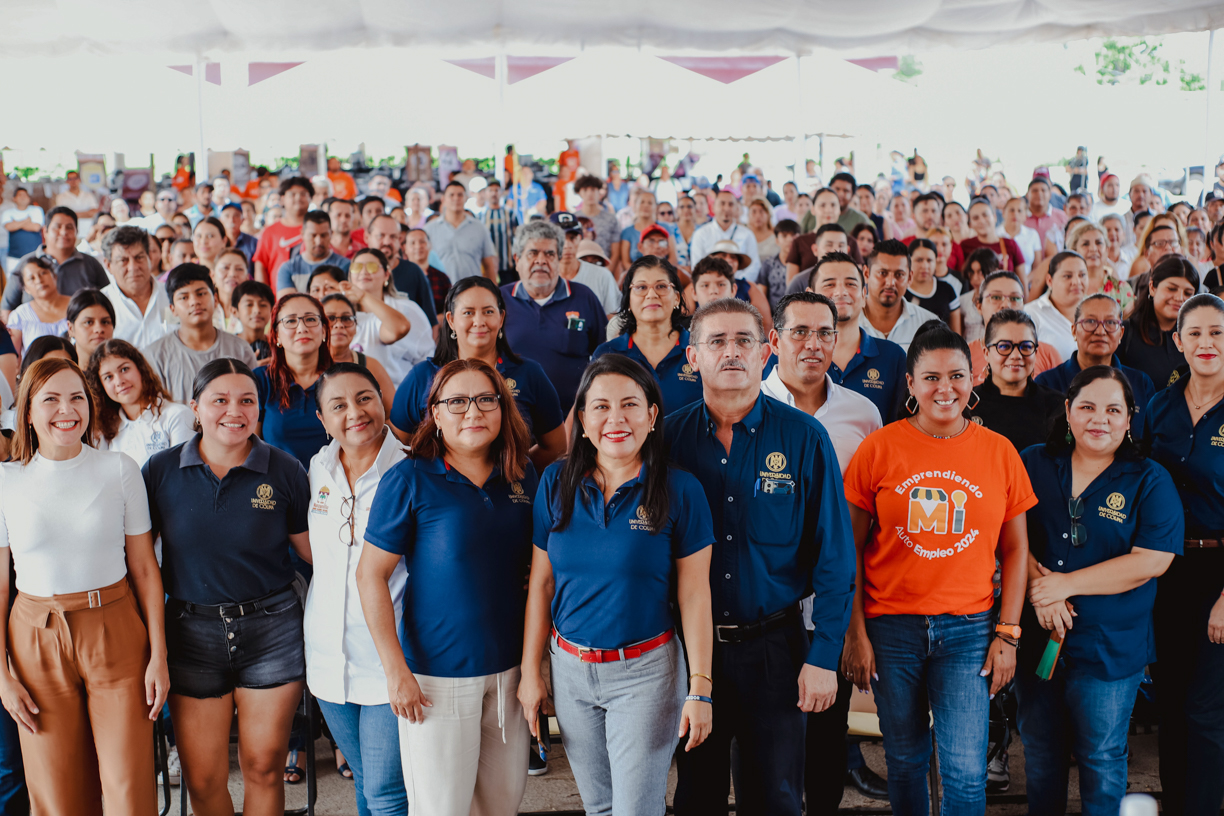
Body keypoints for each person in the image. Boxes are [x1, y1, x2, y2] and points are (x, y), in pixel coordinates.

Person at [667, 298, 856, 816]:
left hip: (776, 648)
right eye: (717, 342)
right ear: (693, 357)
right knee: (696, 797)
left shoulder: (804, 438)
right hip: (690, 652)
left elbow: (836, 560)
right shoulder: (666, 441)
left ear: (767, 351)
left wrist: (823, 657)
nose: (732, 352)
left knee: (774, 798)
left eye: (744, 341)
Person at [841, 323, 1035, 814]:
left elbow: (1015, 551)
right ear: (910, 383)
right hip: (890, 628)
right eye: (930, 377)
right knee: (904, 760)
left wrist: (1008, 634)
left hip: (970, 629)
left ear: (975, 379)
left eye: (956, 376)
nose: (944, 388)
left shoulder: (1000, 452)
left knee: (967, 774)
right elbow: (849, 550)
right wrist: (855, 634)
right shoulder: (879, 449)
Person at [520, 353, 714, 813]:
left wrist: (700, 688)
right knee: (599, 809)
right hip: (570, 671)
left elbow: (694, 594)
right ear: (583, 420)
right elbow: (542, 585)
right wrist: (533, 673)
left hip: (645, 673)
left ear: (651, 416)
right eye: (601, 406)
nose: (616, 418)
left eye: (630, 404)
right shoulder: (554, 481)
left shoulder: (680, 490)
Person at [357, 358, 536, 816]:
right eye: (457, 401)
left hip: (510, 673)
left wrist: (538, 668)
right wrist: (397, 673)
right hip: (436, 678)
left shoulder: (522, 475)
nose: (472, 412)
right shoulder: (409, 479)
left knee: (501, 806)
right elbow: (370, 575)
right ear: (435, 413)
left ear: (502, 408)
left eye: (485, 399)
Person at [142, 357, 312, 816]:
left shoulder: (285, 469)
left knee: (262, 767)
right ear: (195, 408)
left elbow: (314, 553)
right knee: (204, 777)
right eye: (220, 400)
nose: (233, 411)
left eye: (247, 401)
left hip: (272, 629)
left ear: (259, 410)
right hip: (190, 632)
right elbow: (139, 561)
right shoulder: (160, 472)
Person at [0, 355, 168, 816]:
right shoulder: (6, 482)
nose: (66, 409)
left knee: (128, 786)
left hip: (115, 627)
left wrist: (159, 655)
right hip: (36, 635)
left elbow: (146, 571)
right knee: (57, 795)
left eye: (77, 397)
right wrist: (1, 675)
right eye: (50, 399)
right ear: (28, 411)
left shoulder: (119, 469)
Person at [1019, 366, 1181, 816]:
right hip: (1037, 638)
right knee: (1041, 755)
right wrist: (1040, 589)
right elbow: (1006, 535)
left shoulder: (1149, 478)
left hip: (1111, 647)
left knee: (1102, 757)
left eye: (1114, 410)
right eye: (1088, 407)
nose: (1100, 419)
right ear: (1068, 411)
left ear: (1130, 419)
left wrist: (1062, 585)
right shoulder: (1032, 462)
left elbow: (1152, 560)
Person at [759, 290, 888, 805]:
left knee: (827, 750)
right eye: (800, 332)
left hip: (832, 609)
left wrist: (854, 625)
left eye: (824, 333)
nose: (813, 344)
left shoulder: (862, 413)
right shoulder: (751, 404)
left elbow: (869, 523)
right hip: (766, 614)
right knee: (771, 757)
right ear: (774, 340)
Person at [303, 363, 408, 816]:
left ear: (382, 400)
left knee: (386, 791)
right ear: (323, 419)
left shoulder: (410, 469)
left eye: (365, 398)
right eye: (338, 405)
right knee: (364, 781)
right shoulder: (317, 468)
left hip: (390, 658)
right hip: (327, 656)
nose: (355, 412)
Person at [1143, 293, 1224, 816]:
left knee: (1205, 709)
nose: (1206, 343)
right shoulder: (1160, 406)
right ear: (1178, 341)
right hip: (1167, 570)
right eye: (1194, 333)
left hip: (1220, 575)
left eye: (1217, 332)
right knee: (1171, 702)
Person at [391, 275, 565, 467]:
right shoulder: (422, 376)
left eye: (488, 311)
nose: (479, 321)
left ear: (501, 318)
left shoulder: (530, 374)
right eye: (468, 312)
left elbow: (555, 447)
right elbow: (396, 447)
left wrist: (515, 473)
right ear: (450, 320)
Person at [501, 221, 607, 414]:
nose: (541, 261)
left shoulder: (584, 297)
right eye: (532, 253)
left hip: (572, 416)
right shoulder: (499, 301)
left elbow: (604, 354)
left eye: (549, 254)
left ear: (559, 260)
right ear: (517, 260)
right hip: (511, 417)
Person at [805, 252, 908, 422]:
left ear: (863, 294)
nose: (841, 291)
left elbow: (900, 427)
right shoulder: (789, 355)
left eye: (851, 284)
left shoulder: (893, 357)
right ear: (810, 295)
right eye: (829, 284)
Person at [592, 255, 701, 416]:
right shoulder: (607, 354)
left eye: (661, 286)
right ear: (628, 300)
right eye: (641, 287)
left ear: (677, 298)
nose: (651, 295)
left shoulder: (700, 350)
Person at [142, 264, 259, 402]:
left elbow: (253, 402)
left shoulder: (241, 349)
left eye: (201, 293)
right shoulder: (155, 356)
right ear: (173, 309)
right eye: (184, 297)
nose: (194, 302)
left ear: (215, 300)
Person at [253, 293, 333, 468]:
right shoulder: (259, 380)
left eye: (310, 319)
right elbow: (248, 448)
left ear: (324, 330)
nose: (302, 328)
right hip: (276, 487)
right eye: (290, 321)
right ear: (277, 335)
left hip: (336, 486)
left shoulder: (343, 378)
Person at [1035, 294, 1155, 410]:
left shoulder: (1141, 384)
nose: (1100, 331)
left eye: (1110, 323)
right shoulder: (1047, 384)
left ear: (1121, 334)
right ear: (1074, 330)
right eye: (1090, 322)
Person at [968, 310, 1065, 451]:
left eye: (1025, 347)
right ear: (986, 353)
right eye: (1004, 346)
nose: (1016, 355)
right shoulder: (968, 405)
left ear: (1035, 353)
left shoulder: (1056, 405)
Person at [86, 338, 194, 465]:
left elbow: (185, 476)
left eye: (124, 369)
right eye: (108, 377)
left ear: (140, 369)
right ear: (101, 386)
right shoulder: (105, 432)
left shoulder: (177, 416)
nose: (119, 381)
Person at [344, 248, 433, 386]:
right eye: (357, 267)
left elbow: (427, 359)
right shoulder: (342, 315)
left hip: (401, 394)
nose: (363, 271)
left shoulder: (407, 309)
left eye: (372, 266)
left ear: (386, 274)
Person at [1, 207, 108, 321]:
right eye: (57, 227)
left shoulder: (91, 263)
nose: (63, 232)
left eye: (69, 227)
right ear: (45, 231)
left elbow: (108, 301)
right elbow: (7, 309)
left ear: (77, 232)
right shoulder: (26, 264)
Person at [1118, 256, 1200, 391]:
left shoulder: (1197, 338)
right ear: (1152, 287)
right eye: (1171, 289)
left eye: (1188, 293)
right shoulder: (1125, 333)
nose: (1179, 298)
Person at [970, 270, 1062, 385]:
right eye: (996, 297)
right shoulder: (964, 356)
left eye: (1015, 298)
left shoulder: (1048, 354)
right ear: (979, 306)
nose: (1006, 305)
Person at [321, 294, 397, 415]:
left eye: (346, 318)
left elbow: (394, 414)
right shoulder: (307, 367)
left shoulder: (371, 366)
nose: (339, 324)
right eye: (330, 318)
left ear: (356, 327)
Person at [364, 215, 439, 336]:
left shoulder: (413, 271)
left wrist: (429, 352)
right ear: (367, 237)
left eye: (393, 237)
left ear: (400, 241)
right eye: (381, 236)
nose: (387, 242)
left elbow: (431, 322)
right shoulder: (353, 272)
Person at [99, 225, 173, 348]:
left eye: (139, 258)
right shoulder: (100, 304)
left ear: (149, 258)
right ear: (108, 265)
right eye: (123, 260)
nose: (133, 267)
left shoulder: (172, 295)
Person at [860, 239, 941, 351]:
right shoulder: (848, 322)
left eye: (899, 274)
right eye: (882, 273)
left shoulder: (929, 325)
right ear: (866, 274)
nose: (890, 282)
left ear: (909, 278)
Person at [423, 181, 498, 283]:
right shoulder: (429, 229)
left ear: (466, 198)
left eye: (460, 195)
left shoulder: (479, 228)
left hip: (472, 290)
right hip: (439, 291)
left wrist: (493, 293)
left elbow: (489, 264)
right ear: (443, 199)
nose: (456, 198)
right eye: (451, 195)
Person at [1026, 251, 1089, 363]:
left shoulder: (1095, 310)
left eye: (1082, 275)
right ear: (1050, 280)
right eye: (1067, 276)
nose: (1076, 282)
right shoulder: (1031, 313)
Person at [554, 216, 621, 316]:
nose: (567, 245)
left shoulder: (602, 275)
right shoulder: (542, 277)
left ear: (579, 239)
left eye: (572, 238)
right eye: (561, 239)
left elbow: (613, 317)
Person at [688, 190, 761, 281]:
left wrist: (735, 284)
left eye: (730, 204)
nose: (726, 208)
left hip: (740, 286)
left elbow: (754, 266)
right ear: (714, 207)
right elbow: (697, 266)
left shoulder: (747, 234)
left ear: (736, 208)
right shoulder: (701, 234)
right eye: (722, 204)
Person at [253, 176, 313, 284]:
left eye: (303, 194)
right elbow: (260, 265)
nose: (298, 198)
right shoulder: (270, 231)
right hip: (278, 298)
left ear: (311, 198)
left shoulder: (318, 229)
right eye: (292, 194)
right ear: (282, 199)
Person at [6, 257, 69, 358]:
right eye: (32, 278)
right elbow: (14, 359)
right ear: (26, 288)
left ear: (54, 276)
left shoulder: (77, 305)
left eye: (43, 273)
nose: (39, 280)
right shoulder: (19, 315)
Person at [1068, 221, 1134, 317]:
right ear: (1074, 251)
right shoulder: (1065, 288)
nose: (1093, 249)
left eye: (1099, 243)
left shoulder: (1122, 289)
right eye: (1085, 244)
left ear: (1107, 250)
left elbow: (1129, 327)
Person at [276, 210, 351, 295]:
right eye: (313, 235)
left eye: (323, 235)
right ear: (302, 234)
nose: (318, 241)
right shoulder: (288, 269)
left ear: (331, 234)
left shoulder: (345, 265)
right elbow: (287, 305)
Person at [906, 238, 962, 333]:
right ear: (909, 261)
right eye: (919, 260)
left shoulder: (947, 290)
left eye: (929, 260)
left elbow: (957, 333)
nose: (924, 266)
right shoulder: (901, 291)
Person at [962, 199, 1026, 275]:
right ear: (970, 224)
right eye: (976, 218)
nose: (981, 221)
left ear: (994, 217)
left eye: (985, 215)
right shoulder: (965, 246)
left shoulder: (1010, 244)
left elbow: (1022, 282)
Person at [64, 289, 115, 368]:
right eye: (88, 322)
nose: (99, 329)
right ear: (70, 328)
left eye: (105, 322)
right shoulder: (61, 373)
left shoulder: (124, 369)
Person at [233, 280, 275, 364]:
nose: (257, 310)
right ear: (235, 312)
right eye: (249, 304)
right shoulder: (227, 346)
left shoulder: (278, 346)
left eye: (263, 305)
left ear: (272, 311)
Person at [1, 188, 44, 272]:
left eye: (25, 195)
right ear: (14, 199)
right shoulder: (8, 212)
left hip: (35, 255)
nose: (23, 197)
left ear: (29, 198)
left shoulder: (36, 210)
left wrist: (16, 223)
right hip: (14, 256)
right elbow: (9, 227)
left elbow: (36, 227)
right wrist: (27, 221)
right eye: (20, 195)